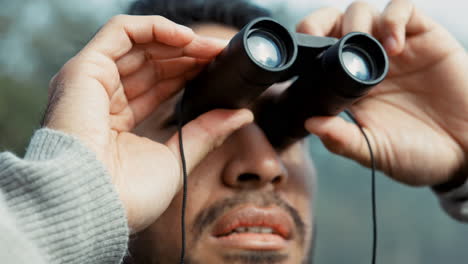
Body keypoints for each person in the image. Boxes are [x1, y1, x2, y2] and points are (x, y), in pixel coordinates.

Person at [0, 0, 466, 264]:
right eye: (200, 122)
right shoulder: (75, 196)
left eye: (287, 129)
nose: (263, 166)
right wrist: (68, 201)